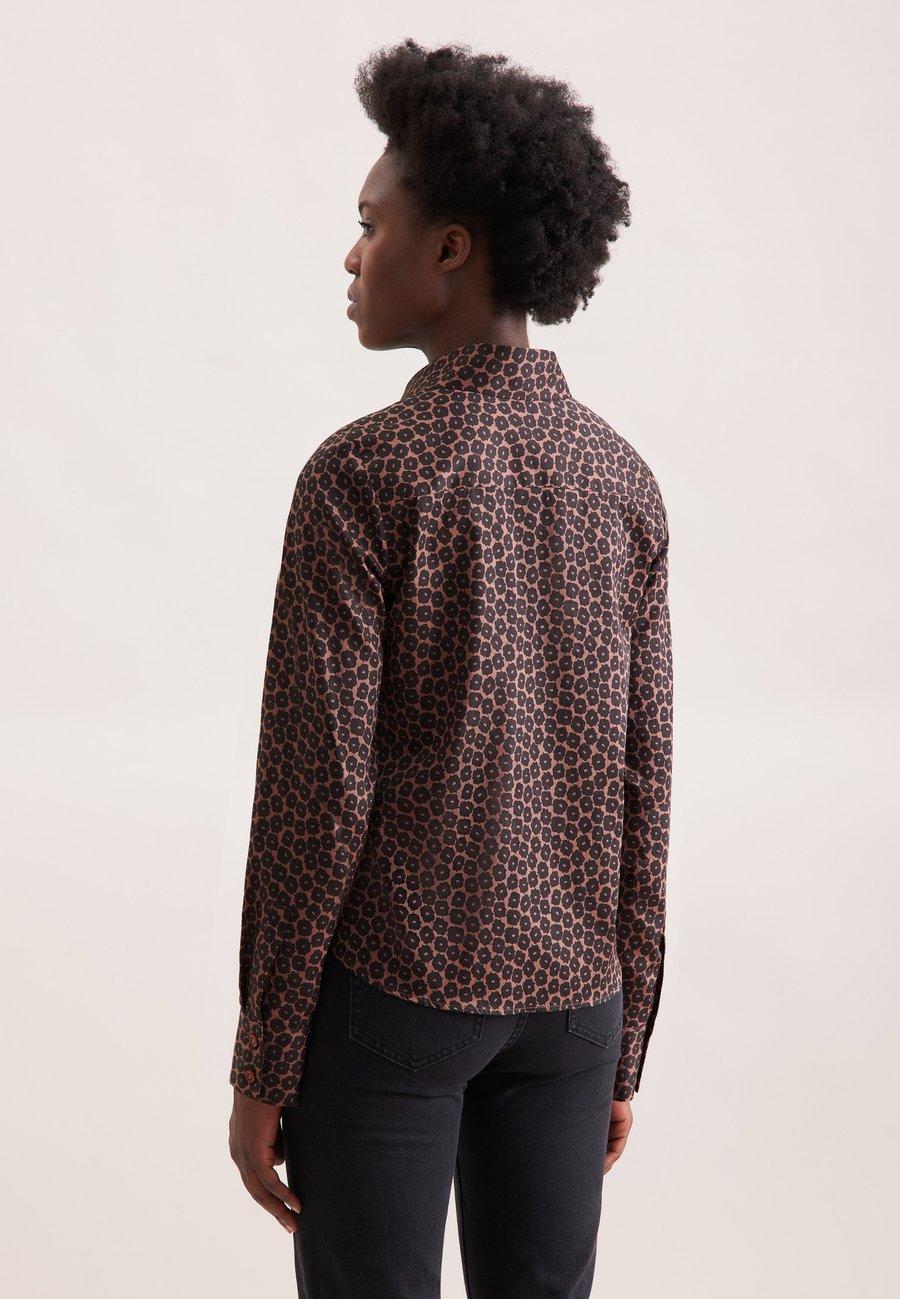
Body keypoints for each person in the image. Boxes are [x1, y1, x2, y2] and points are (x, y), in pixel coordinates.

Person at [228, 37, 673, 1299]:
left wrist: (265, 1059)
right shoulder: (623, 481)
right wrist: (624, 1040)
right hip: (573, 1011)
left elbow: (318, 797)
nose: (351, 254)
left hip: (395, 1003)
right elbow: (647, 786)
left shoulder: (364, 476)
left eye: (372, 224)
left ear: (452, 250)